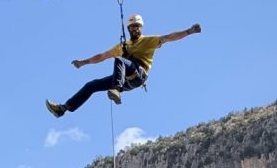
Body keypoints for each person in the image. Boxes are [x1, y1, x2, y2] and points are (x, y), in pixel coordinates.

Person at [46, 14, 202, 117]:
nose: (135, 28)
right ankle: (63, 109)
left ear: (142, 28)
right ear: (129, 29)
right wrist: (83, 63)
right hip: (124, 79)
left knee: (120, 61)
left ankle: (116, 90)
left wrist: (189, 31)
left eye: (138, 26)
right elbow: (103, 56)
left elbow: (168, 37)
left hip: (138, 75)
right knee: (91, 85)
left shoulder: (148, 41)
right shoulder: (122, 46)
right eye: (133, 27)